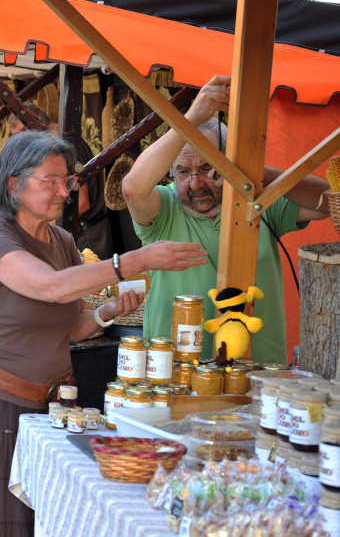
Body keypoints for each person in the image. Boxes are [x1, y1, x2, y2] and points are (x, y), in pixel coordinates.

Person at [0, 131, 208, 537]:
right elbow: (48, 287)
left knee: (35, 532)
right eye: (51, 181)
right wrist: (129, 262)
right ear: (14, 185)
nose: (64, 191)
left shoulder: (61, 241)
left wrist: (108, 311)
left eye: (67, 180)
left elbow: (70, 325)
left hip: (49, 409)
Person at [121, 74, 330, 364]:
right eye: (183, 171)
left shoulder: (260, 200)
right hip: (173, 372)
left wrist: (250, 172)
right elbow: (131, 188)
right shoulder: (163, 206)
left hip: (257, 371)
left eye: (208, 167)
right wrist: (192, 118)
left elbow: (328, 201)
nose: (195, 184)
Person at [9, 103, 113, 259]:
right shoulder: (53, 147)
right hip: (75, 232)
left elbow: (82, 203)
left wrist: (43, 229)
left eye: (20, 137)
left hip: (87, 237)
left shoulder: (66, 146)